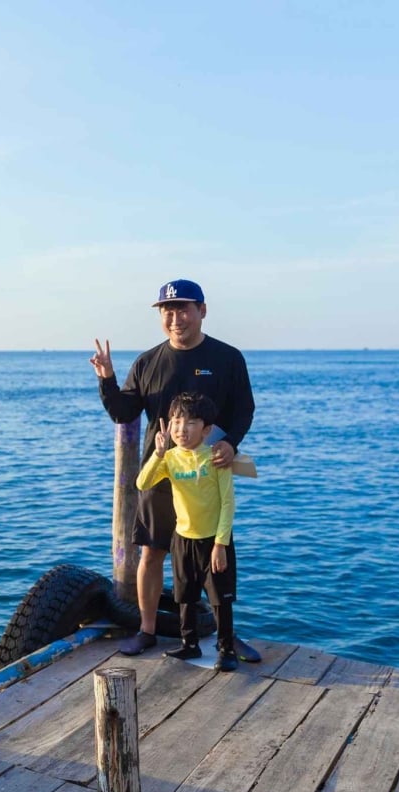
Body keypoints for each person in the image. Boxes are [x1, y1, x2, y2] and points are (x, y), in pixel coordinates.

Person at [91, 278, 254, 656]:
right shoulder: (148, 362)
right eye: (167, 310)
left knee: (216, 551)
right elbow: (123, 411)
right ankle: (148, 629)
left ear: (202, 311)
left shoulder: (227, 358)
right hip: (162, 472)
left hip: (208, 475)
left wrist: (230, 443)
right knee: (152, 552)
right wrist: (106, 380)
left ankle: (224, 634)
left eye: (183, 309)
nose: (175, 317)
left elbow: (244, 410)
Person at [136, 392, 238, 671]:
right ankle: (189, 644)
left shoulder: (216, 457)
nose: (182, 428)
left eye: (191, 422)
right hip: (182, 539)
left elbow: (228, 503)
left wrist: (220, 543)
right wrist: (157, 456)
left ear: (206, 430)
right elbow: (142, 484)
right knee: (185, 595)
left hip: (213, 541)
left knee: (219, 599)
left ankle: (226, 648)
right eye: (176, 421)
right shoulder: (169, 458)